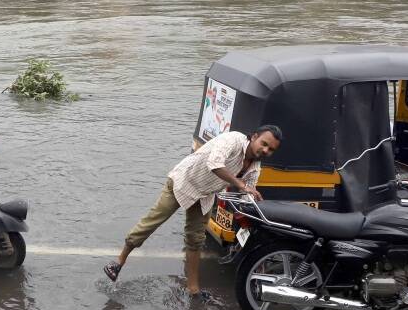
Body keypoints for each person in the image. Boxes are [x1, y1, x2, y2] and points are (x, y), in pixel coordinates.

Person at [104, 126, 283, 296]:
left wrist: (255, 217)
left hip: (204, 195)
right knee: (153, 221)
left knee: (195, 240)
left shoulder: (254, 168)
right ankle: (119, 261)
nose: (265, 150)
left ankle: (193, 289)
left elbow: (246, 197)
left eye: (271, 149)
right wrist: (240, 185)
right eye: (264, 144)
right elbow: (215, 163)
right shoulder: (233, 139)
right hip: (183, 182)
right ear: (254, 137)